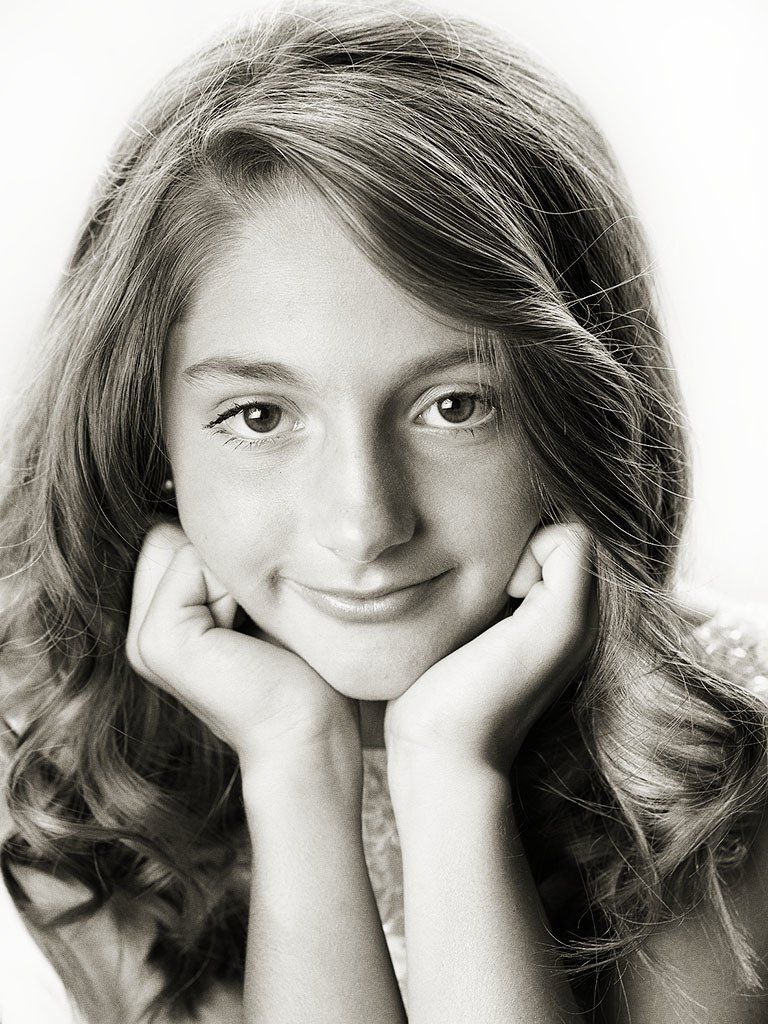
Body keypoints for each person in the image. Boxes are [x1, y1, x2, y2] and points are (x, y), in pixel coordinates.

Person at [1, 1, 767, 1021]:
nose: (364, 524)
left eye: (455, 406)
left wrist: (453, 774)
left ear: (573, 414)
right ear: (152, 443)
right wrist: (294, 760)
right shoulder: (72, 759)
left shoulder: (708, 751)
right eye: (261, 415)